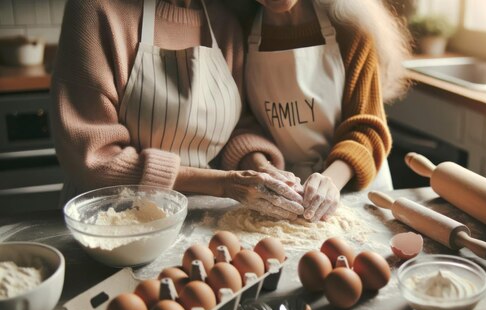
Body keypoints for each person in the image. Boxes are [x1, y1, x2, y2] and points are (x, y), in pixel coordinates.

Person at [51, 0, 305, 220]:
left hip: (202, 215)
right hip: (110, 220)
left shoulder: (224, 21)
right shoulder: (96, 10)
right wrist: (224, 184)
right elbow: (93, 159)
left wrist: (260, 168)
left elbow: (236, 125)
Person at [221, 0, 411, 222]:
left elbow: (366, 128)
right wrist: (263, 169)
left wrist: (330, 181)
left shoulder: (350, 27)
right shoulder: (238, 31)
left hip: (353, 186)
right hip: (286, 196)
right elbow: (241, 123)